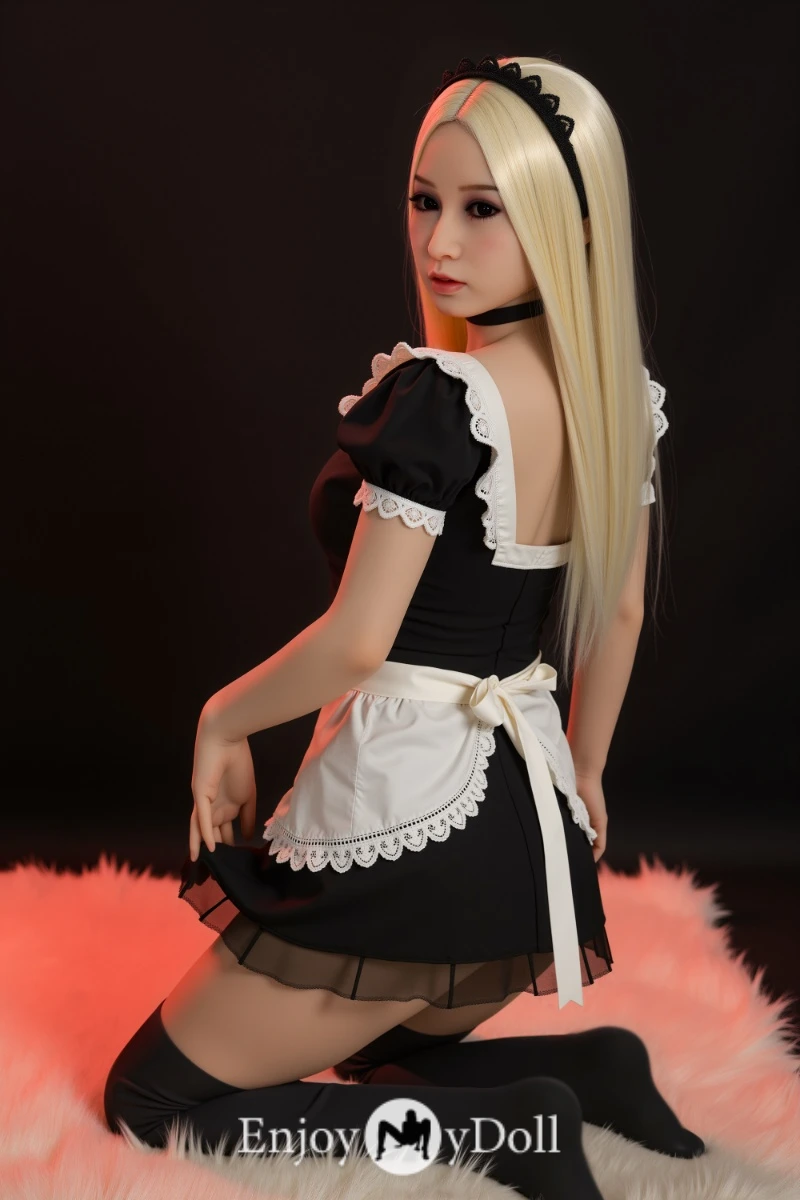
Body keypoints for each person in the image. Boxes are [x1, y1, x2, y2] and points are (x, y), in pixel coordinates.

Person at [104, 54, 704, 1196]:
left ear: (570, 226)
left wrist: (221, 719)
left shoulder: (438, 401)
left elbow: (358, 639)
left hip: (413, 834)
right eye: (426, 200)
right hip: (529, 847)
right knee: (372, 1053)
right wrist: (581, 782)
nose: (440, 241)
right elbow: (618, 608)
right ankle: (590, 1065)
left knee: (150, 1103)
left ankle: (510, 1129)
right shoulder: (616, 399)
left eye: (484, 210)